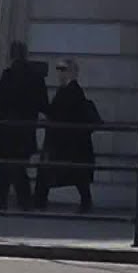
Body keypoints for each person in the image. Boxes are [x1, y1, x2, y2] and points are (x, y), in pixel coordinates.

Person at [35, 58, 101, 213]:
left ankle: (39, 201)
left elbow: (59, 112)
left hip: (68, 141)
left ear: (72, 72)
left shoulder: (72, 90)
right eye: (58, 68)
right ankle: (40, 201)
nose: (59, 72)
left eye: (63, 69)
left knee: (54, 171)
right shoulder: (67, 89)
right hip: (69, 141)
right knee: (75, 174)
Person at [0, 41, 48, 210]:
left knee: (6, 168)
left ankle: (2, 203)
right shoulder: (36, 77)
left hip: (7, 128)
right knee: (17, 167)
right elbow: (43, 103)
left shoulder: (8, 75)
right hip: (25, 128)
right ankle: (20, 202)